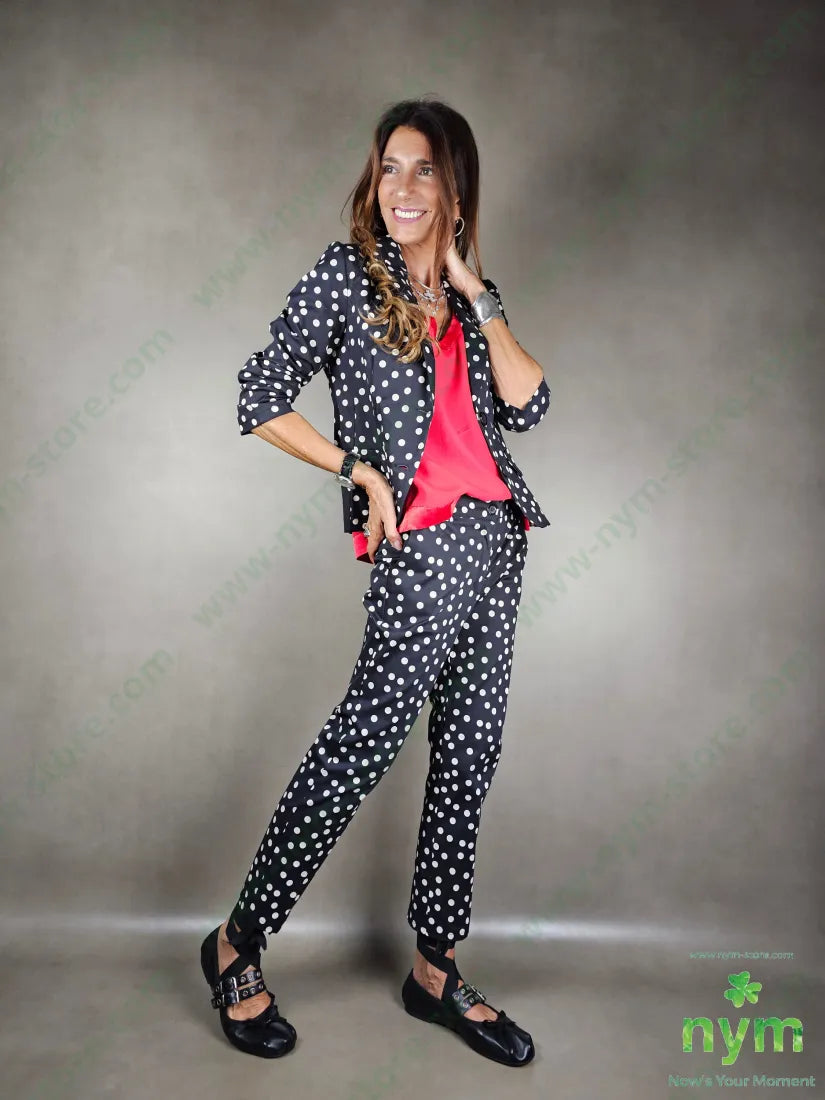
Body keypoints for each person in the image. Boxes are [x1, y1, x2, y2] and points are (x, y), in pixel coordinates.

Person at [200, 95, 551, 1068]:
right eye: (389, 166)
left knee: (468, 758)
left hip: (497, 545)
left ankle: (434, 968)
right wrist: (356, 470)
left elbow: (530, 403)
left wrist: (477, 290)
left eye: (423, 169)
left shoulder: (471, 297)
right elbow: (258, 394)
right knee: (358, 748)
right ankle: (235, 942)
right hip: (420, 550)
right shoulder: (346, 276)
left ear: (456, 189)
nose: (400, 186)